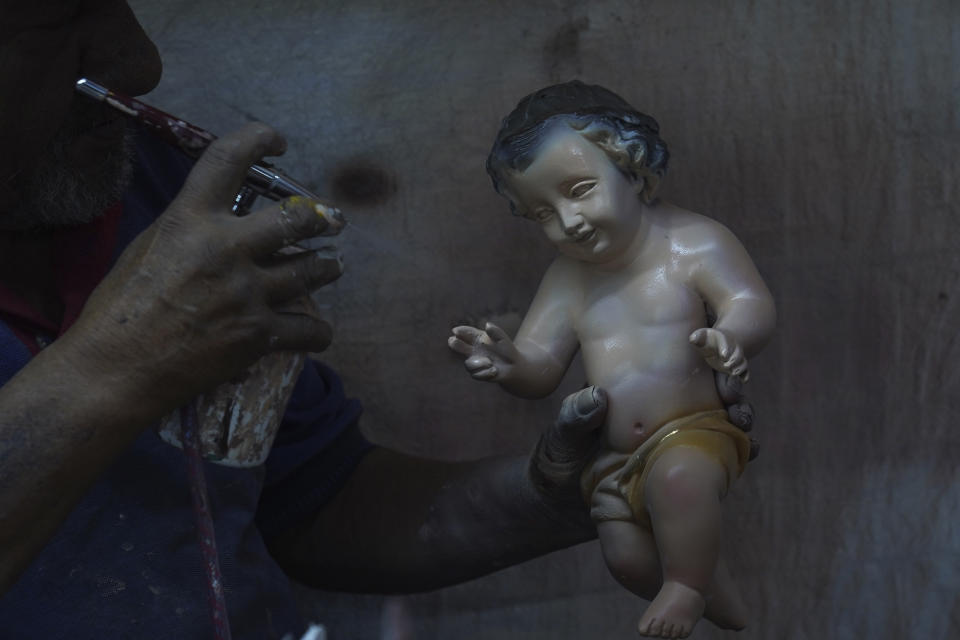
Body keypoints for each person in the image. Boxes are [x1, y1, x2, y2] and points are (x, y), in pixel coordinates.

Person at [0, 2, 752, 636]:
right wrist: (117, 367)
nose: (136, 63)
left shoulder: (147, 188)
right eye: (53, 19)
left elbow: (312, 499)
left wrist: (560, 488)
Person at [449, 81, 775, 639]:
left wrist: (734, 336)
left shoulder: (694, 243)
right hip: (613, 458)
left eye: (579, 190)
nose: (568, 221)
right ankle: (709, 586)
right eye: (542, 214)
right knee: (624, 556)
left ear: (633, 166)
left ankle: (689, 587)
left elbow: (750, 300)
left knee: (679, 485)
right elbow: (541, 365)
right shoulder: (567, 278)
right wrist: (510, 366)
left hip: (695, 432)